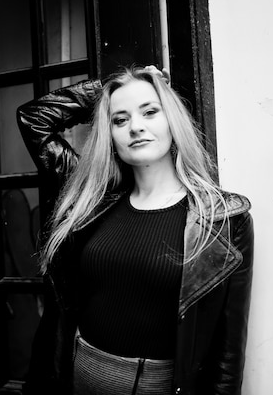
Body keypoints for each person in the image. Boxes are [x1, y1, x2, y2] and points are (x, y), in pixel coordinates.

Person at [16, 65, 254, 395]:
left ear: (172, 120)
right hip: (77, 377)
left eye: (150, 111)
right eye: (120, 119)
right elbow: (33, 118)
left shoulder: (224, 218)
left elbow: (227, 351)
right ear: (110, 134)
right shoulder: (94, 200)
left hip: (157, 386)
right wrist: (109, 89)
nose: (135, 127)